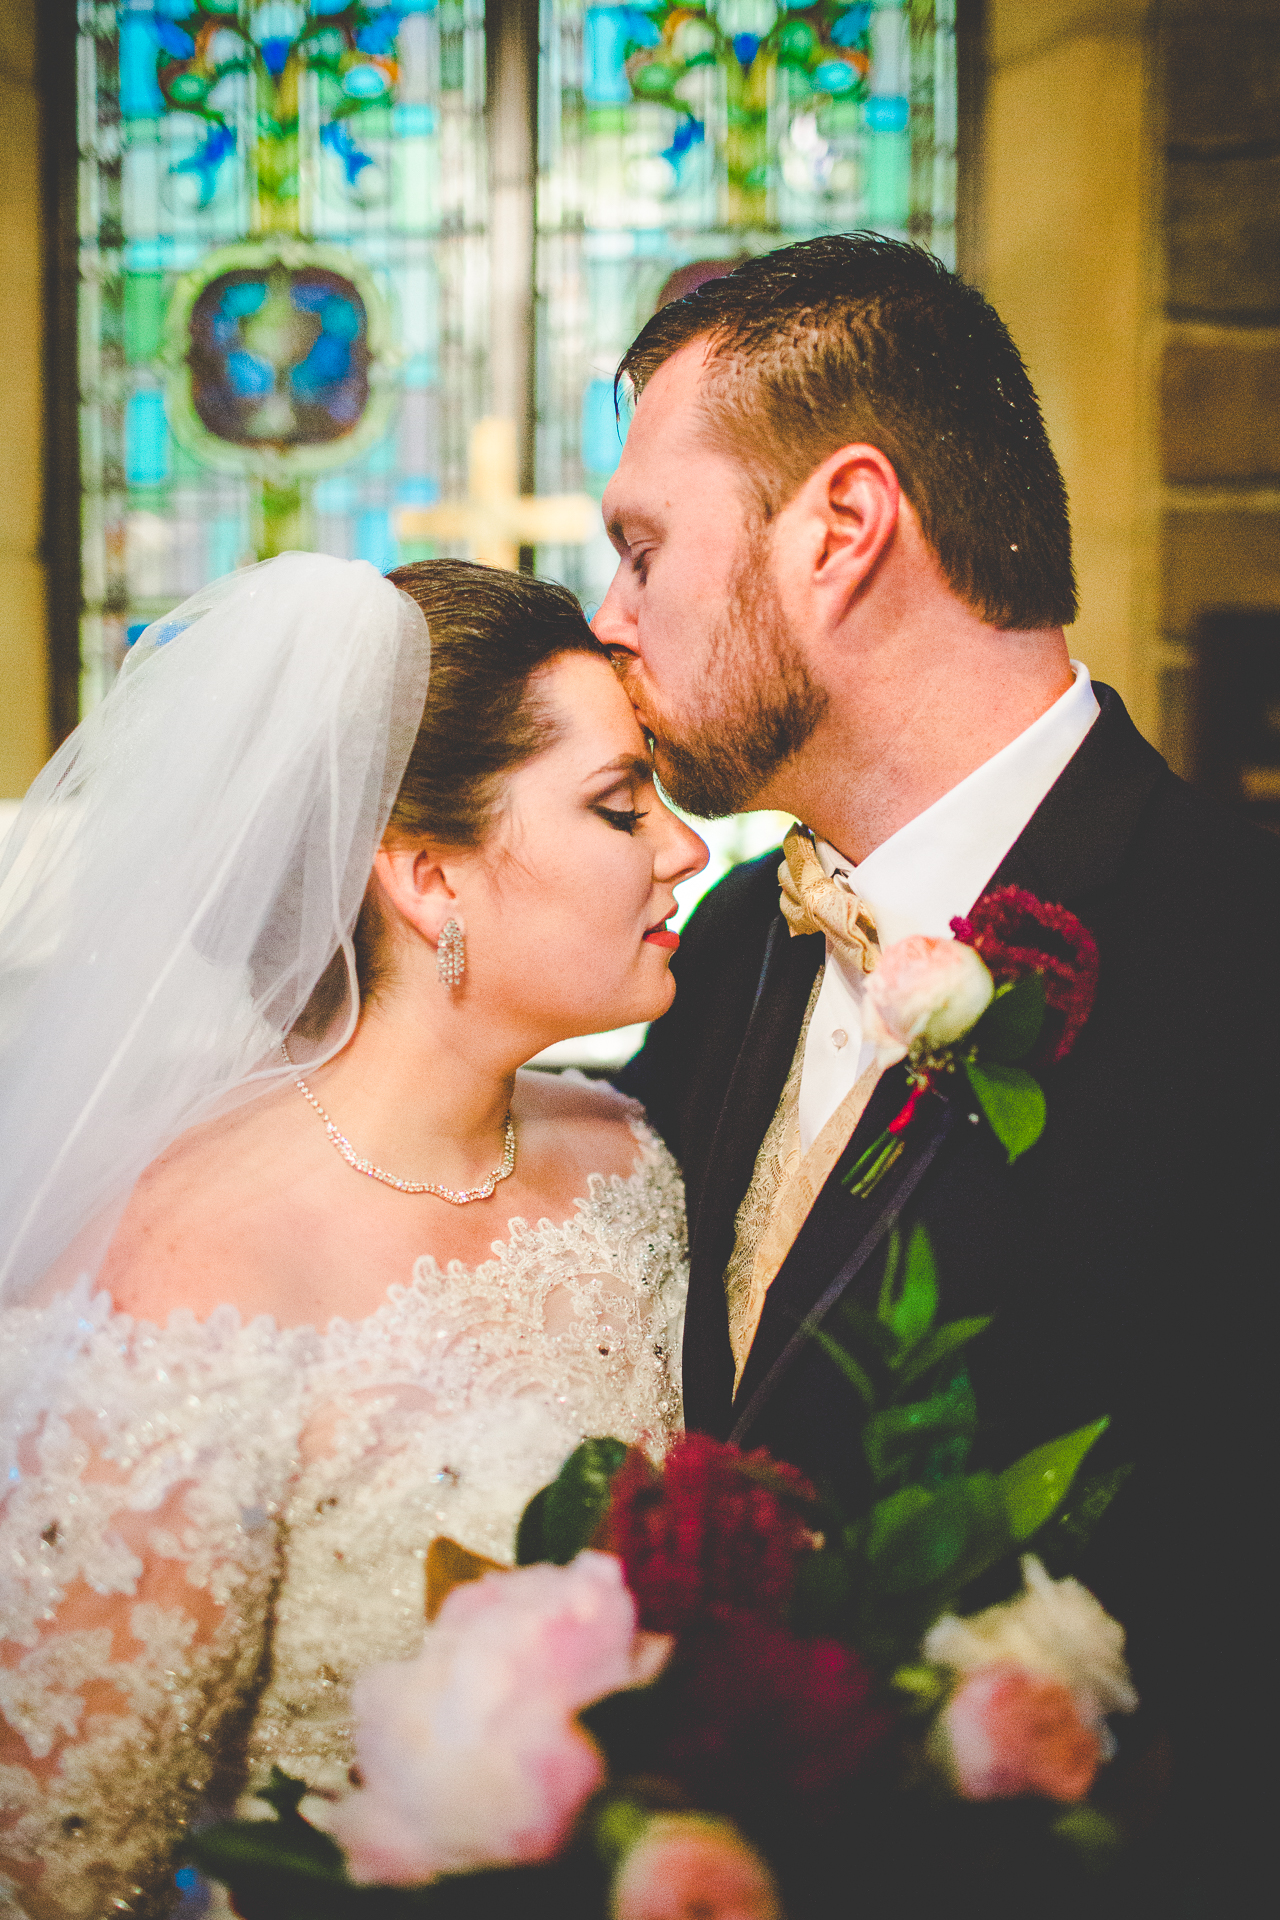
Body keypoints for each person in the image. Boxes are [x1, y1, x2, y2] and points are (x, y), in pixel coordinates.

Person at [599, 235, 1280, 1897]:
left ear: (842, 527)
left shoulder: (1235, 952)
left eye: (639, 547)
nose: (613, 617)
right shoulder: (741, 940)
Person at [0, 553, 706, 1919]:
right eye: (623, 806)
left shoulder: (630, 1157)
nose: (681, 846)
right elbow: (64, 1861)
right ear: (428, 877)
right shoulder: (196, 1274)